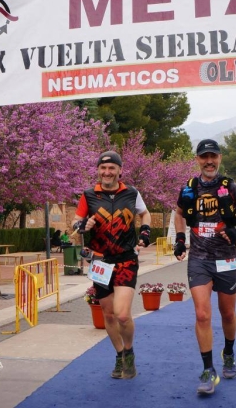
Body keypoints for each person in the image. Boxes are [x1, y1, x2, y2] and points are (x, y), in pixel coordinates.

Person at [173, 139, 236, 395]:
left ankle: (229, 353)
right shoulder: (189, 188)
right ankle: (208, 370)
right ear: (198, 159)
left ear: (220, 158)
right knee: (202, 314)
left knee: (227, 314)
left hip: (226, 260)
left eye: (213, 156)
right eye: (204, 157)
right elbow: (178, 213)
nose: (209, 161)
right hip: (199, 259)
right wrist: (180, 239)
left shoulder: (230, 187)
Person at [73, 150, 152, 380]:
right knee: (108, 315)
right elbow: (76, 221)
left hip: (125, 260)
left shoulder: (131, 193)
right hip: (100, 262)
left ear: (119, 170)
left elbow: (145, 214)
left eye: (112, 168)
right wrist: (82, 226)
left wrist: (145, 231)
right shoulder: (89, 195)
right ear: (98, 170)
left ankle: (129, 351)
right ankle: (119, 355)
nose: (107, 172)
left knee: (123, 315)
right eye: (103, 168)